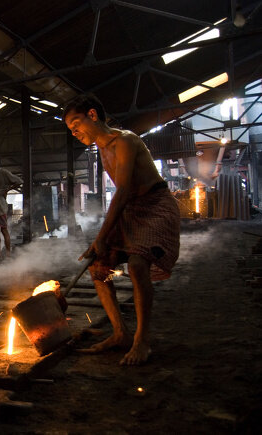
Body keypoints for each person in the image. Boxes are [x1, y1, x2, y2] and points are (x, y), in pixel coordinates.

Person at [63, 94, 180, 366]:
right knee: (97, 267)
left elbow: (124, 189)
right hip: (131, 208)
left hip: (155, 204)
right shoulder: (102, 150)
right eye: (71, 129)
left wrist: (102, 236)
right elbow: (123, 195)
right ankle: (121, 334)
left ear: (92, 115)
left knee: (138, 265)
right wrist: (101, 242)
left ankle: (142, 340)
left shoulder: (125, 140)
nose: (75, 131)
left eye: (76, 123)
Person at [0, 153, 22, 260]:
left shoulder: (4, 172)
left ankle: (8, 253)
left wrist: (7, 189)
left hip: (0, 204)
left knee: (4, 230)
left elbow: (19, 181)